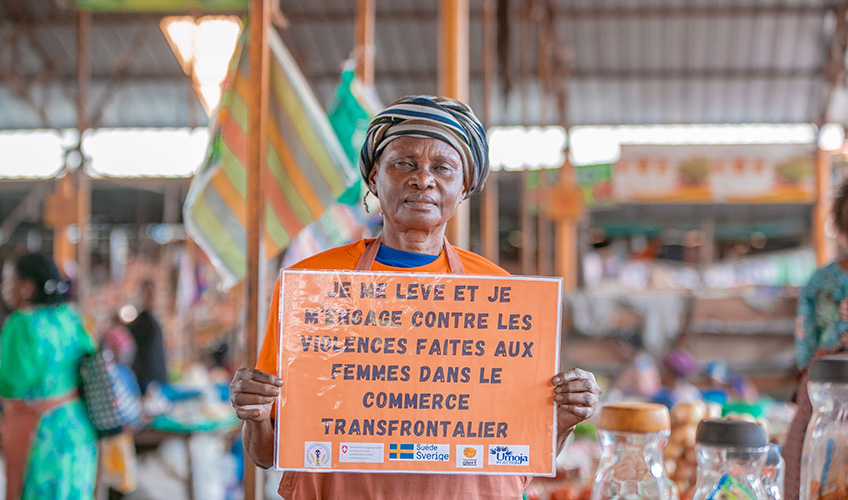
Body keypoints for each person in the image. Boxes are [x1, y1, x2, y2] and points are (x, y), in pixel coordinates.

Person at [229, 95, 601, 499]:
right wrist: (255, 417)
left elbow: (519, 452)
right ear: (374, 179)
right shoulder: (310, 286)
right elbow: (266, 454)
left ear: (464, 188)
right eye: (403, 163)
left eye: (442, 168)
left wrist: (562, 419)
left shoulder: (497, 294)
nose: (422, 179)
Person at [0, 252, 98, 500]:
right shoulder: (70, 317)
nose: (4, 288)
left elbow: (11, 385)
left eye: (7, 280)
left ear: (27, 287)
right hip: (79, 430)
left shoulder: (21, 324)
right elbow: (91, 357)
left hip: (42, 436)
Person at [784, 178, 848, 500]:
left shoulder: (820, 281)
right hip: (825, 386)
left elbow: (804, 340)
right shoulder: (820, 282)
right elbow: (805, 337)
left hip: (819, 381)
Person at [127, 279, 168, 393]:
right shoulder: (139, 322)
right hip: (145, 379)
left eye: (152, 294)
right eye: (147, 293)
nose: (150, 297)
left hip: (158, 378)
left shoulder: (154, 319)